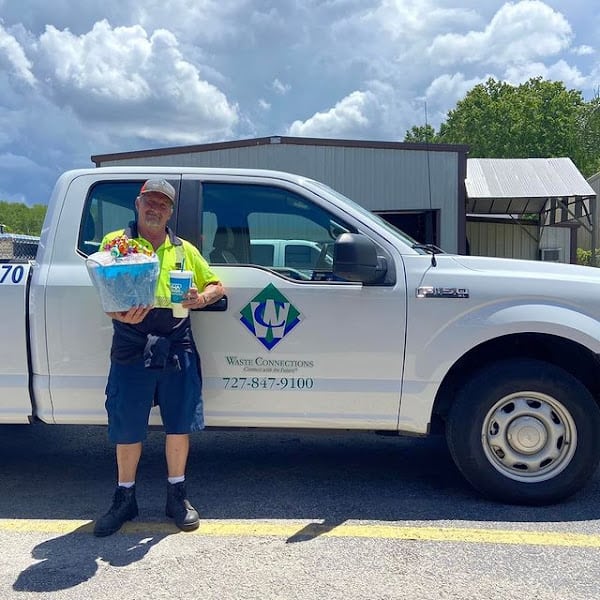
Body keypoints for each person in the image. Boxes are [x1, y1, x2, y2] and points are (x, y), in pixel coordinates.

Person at [93, 178, 225, 537]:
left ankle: (177, 497)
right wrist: (118, 315)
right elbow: (107, 296)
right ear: (138, 204)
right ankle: (125, 499)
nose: (155, 209)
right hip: (131, 340)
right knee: (128, 424)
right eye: (149, 202)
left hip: (176, 339)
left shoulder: (185, 250)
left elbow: (217, 285)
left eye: (163, 204)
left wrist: (202, 299)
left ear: (170, 211)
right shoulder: (116, 244)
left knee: (179, 422)